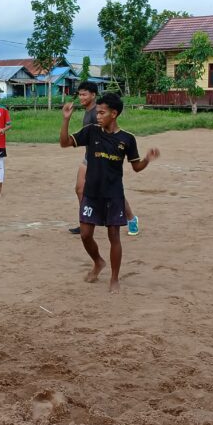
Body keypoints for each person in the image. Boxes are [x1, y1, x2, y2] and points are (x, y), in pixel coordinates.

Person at [60, 92, 159, 293]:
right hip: (91, 194)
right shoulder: (91, 132)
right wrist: (66, 120)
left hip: (113, 195)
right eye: (97, 112)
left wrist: (147, 159)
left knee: (114, 236)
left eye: (102, 113)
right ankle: (98, 262)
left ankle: (114, 278)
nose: (98, 116)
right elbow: (64, 142)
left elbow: (136, 167)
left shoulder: (127, 139)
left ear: (113, 114)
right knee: (86, 235)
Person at [68, 82, 139, 236]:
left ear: (93, 95)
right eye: (79, 94)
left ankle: (131, 218)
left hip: (100, 158)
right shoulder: (88, 111)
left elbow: (108, 133)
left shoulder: (96, 112)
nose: (81, 97)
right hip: (89, 156)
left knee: (112, 193)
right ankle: (86, 219)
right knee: (80, 189)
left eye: (84, 94)